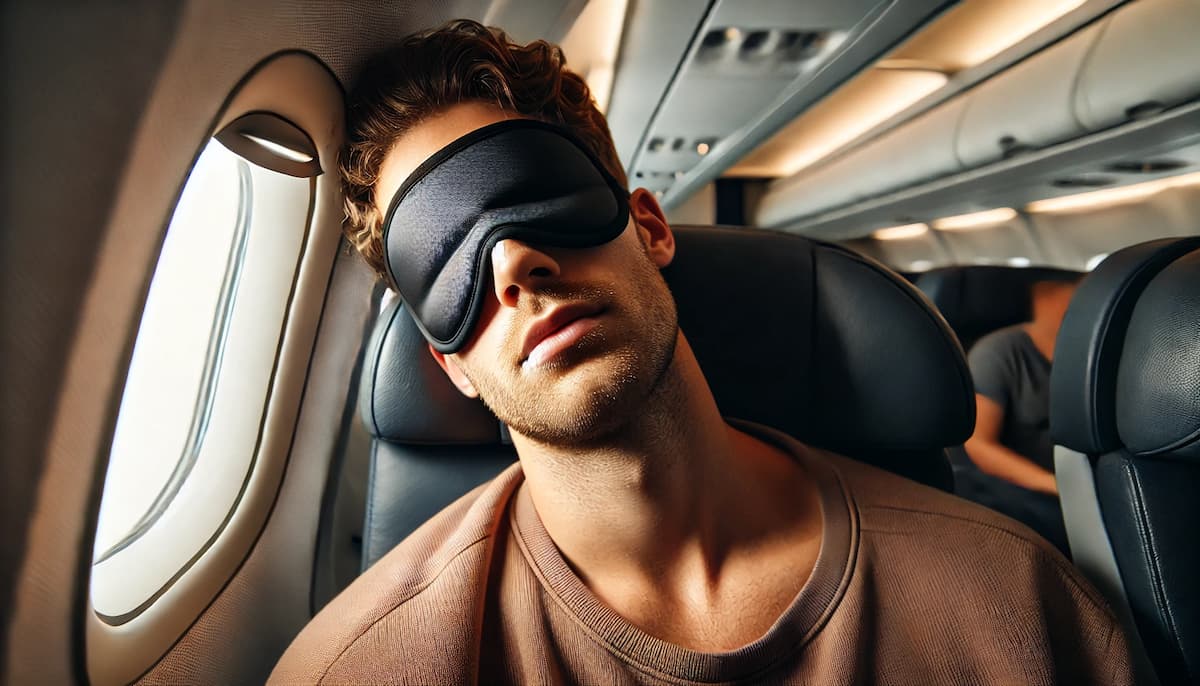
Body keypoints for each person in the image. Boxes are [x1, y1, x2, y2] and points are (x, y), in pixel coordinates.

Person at [271, 20, 1131, 684]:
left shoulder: (1014, 607)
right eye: (443, 258)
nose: (513, 264)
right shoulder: (365, 667)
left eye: (532, 193)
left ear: (647, 227)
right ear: (447, 360)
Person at [963, 278, 1080, 553]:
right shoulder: (998, 352)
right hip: (1027, 486)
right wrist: (1056, 486)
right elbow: (979, 444)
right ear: (1042, 302)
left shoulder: (1094, 349)